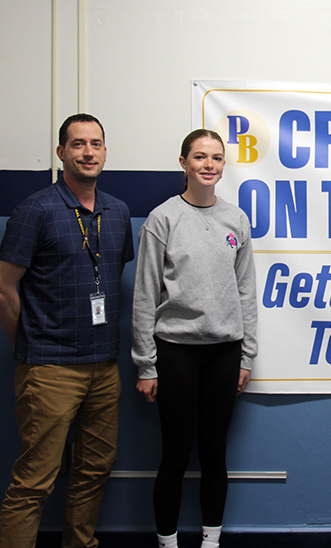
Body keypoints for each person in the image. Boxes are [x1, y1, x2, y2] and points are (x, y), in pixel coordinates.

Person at [0, 113, 134, 548]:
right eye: (77, 144)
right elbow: (0, 288)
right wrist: (29, 343)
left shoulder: (118, 211)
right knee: (35, 481)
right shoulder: (36, 210)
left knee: (94, 470)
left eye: (95, 144)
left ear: (105, 152)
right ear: (61, 153)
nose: (88, 152)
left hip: (104, 369)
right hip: (49, 369)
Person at [131, 129, 257, 548]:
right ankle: (167, 542)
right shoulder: (162, 219)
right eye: (200, 157)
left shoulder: (236, 220)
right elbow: (146, 296)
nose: (209, 165)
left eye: (217, 158)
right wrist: (146, 365)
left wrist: (246, 357)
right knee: (175, 454)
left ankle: (211, 540)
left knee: (215, 452)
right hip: (175, 352)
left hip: (224, 353)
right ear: (183, 162)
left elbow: (245, 293)